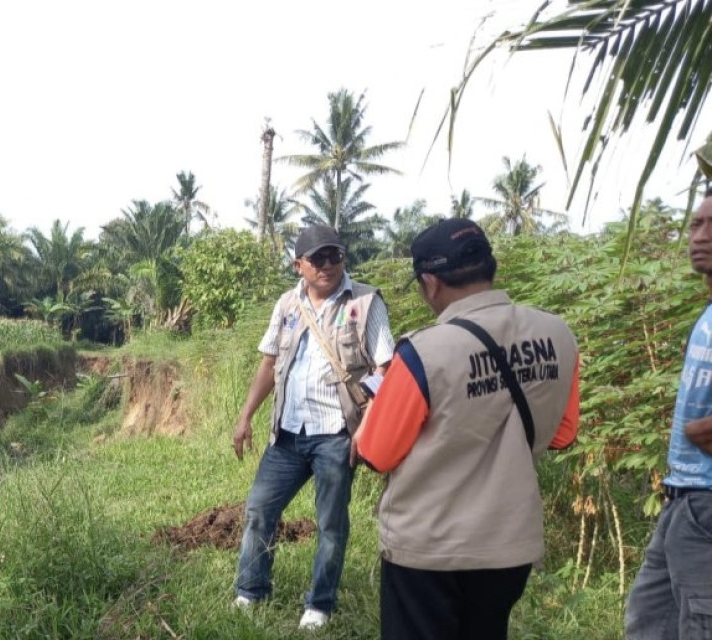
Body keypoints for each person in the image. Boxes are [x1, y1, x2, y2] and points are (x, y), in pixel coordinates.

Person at [354, 218, 581, 640]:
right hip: (508, 548)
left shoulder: (423, 352)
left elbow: (376, 453)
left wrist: (369, 416)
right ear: (489, 267)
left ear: (430, 282)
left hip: (429, 550)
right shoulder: (559, 335)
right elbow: (564, 435)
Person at [231, 224, 395, 630]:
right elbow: (269, 363)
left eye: (334, 256)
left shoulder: (365, 301)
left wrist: (366, 426)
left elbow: (385, 371)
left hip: (337, 433)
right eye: (317, 258)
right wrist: (246, 415)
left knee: (331, 524)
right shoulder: (288, 304)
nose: (327, 265)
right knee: (259, 510)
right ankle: (251, 591)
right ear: (298, 265)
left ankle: (319, 604)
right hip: (287, 433)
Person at [625, 187, 712, 640]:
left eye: (711, 225)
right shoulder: (709, 311)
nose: (698, 235)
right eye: (696, 223)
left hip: (707, 500)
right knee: (649, 622)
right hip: (684, 499)